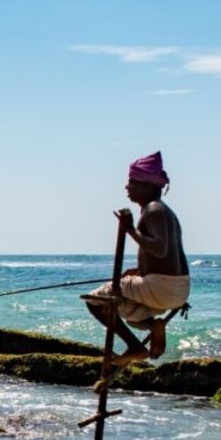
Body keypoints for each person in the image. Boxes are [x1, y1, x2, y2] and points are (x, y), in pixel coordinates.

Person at [82, 151, 190, 363]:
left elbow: (159, 249)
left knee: (94, 301)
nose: (127, 187)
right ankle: (154, 325)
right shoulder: (166, 212)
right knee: (131, 315)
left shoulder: (153, 209)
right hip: (177, 290)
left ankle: (135, 348)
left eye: (132, 182)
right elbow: (169, 258)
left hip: (160, 288)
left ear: (148, 185)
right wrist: (140, 271)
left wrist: (130, 229)